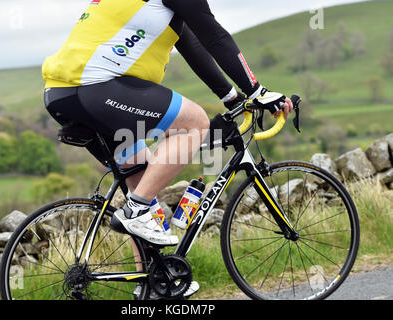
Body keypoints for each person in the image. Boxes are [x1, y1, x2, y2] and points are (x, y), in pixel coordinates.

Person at [42, 0, 293, 295]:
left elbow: (192, 45)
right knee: (195, 123)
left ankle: (153, 286)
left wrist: (233, 98)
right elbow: (215, 36)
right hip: (96, 87)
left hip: (61, 93)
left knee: (144, 176)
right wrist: (257, 91)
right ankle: (135, 211)